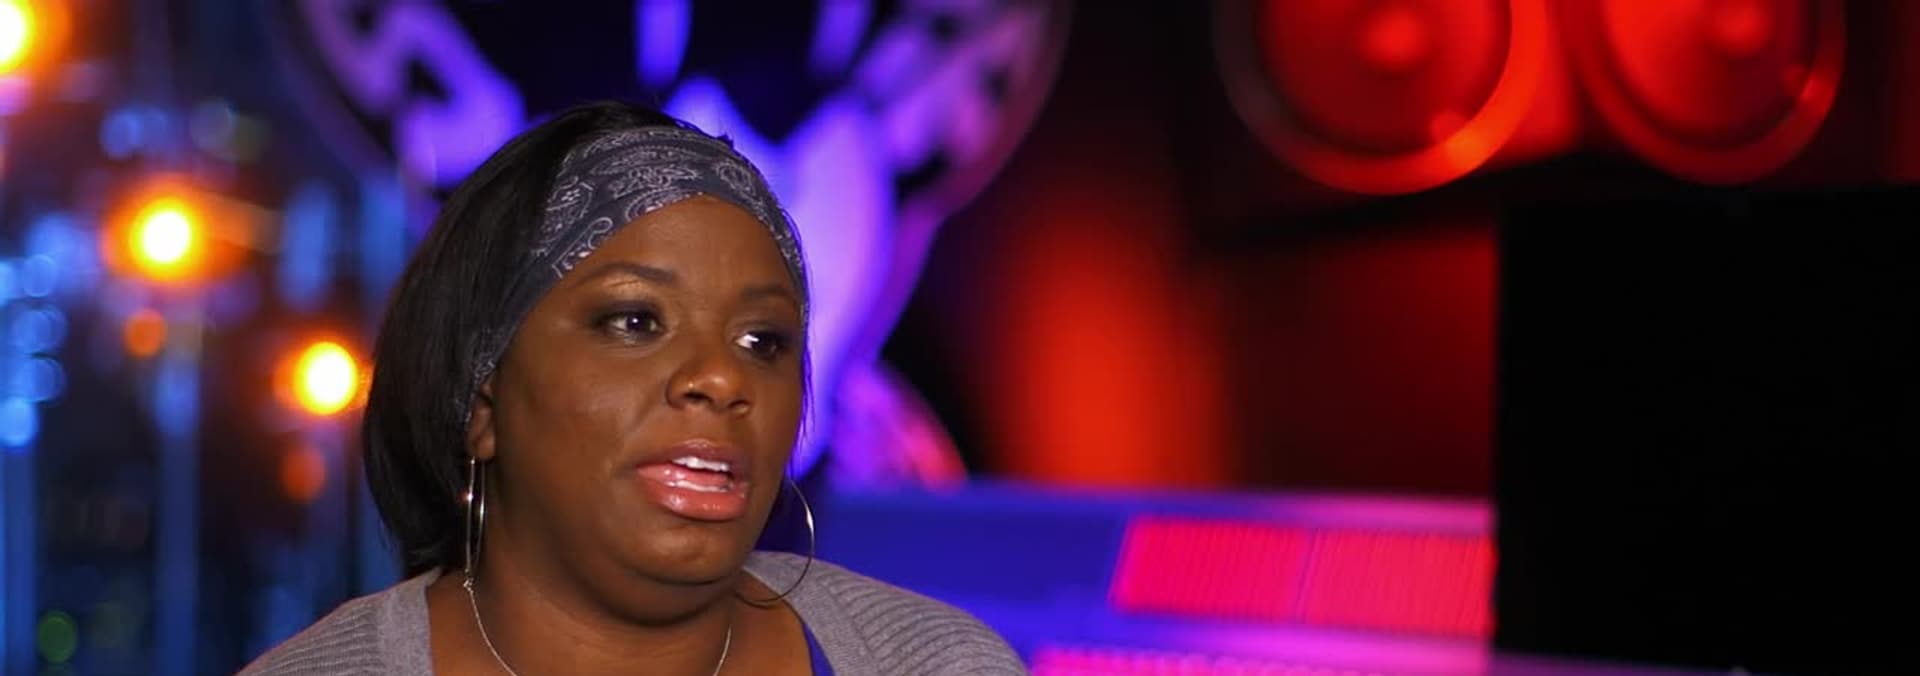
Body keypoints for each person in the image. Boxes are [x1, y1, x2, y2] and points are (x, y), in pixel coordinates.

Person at [241, 102, 1024, 675]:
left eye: (763, 342)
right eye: (635, 321)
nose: (722, 378)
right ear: (481, 398)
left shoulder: (936, 663)